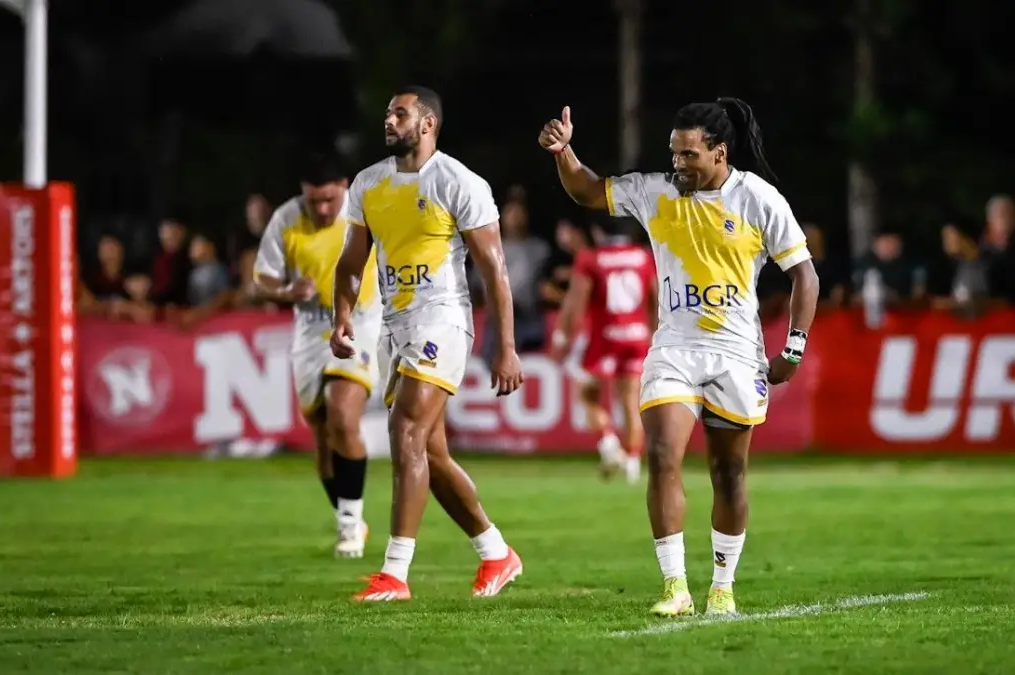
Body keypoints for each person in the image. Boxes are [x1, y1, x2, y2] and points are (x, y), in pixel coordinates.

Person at [539, 99, 819, 617]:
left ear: (719, 151)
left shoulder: (757, 199)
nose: (679, 164)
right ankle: (675, 587)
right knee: (662, 454)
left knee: (728, 474)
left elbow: (805, 274)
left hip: (737, 354)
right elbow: (586, 189)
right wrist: (564, 152)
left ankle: (722, 588)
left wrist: (794, 349)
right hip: (674, 350)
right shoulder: (655, 191)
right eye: (674, 153)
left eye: (689, 154)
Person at [332, 86, 525, 602]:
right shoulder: (369, 183)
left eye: (401, 113)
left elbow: (494, 270)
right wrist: (342, 314)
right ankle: (496, 552)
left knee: (405, 430)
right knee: (431, 454)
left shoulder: (459, 182)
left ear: (428, 123)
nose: (389, 121)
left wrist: (505, 346)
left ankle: (395, 574)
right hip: (395, 326)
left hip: (442, 321)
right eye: (388, 112)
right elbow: (352, 261)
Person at [252, 155, 382, 559]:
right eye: (314, 201)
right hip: (309, 329)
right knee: (324, 439)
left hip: (360, 319)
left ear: (344, 186)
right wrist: (288, 292)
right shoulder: (287, 218)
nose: (322, 209)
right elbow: (263, 278)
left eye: (328, 199)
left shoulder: (366, 210)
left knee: (343, 413)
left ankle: (348, 527)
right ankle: (352, 519)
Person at [549, 217, 656, 483]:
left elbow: (575, 305)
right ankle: (632, 465)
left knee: (587, 395)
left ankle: (609, 444)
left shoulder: (590, 258)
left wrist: (563, 338)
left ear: (598, 230)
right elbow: (656, 298)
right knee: (631, 403)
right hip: (638, 336)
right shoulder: (643, 257)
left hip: (605, 337)